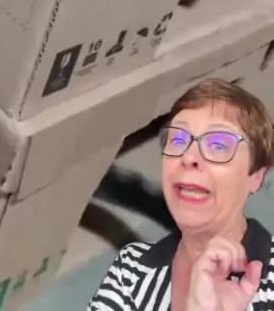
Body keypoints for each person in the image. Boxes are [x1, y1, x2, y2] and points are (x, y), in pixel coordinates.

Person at [88, 78, 274, 311]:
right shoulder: (130, 267)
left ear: (256, 176)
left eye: (218, 145)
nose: (188, 156)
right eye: (178, 139)